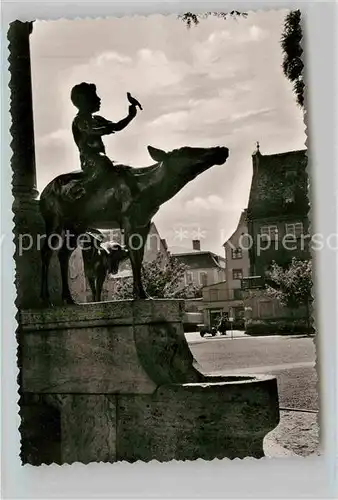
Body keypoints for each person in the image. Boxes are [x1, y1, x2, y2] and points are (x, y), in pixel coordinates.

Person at [68, 82, 141, 197]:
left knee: (120, 169)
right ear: (83, 100)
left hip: (102, 159)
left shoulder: (97, 119)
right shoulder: (79, 121)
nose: (99, 99)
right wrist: (106, 129)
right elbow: (91, 130)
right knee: (104, 164)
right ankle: (80, 188)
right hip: (90, 160)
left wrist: (130, 116)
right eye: (94, 96)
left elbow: (117, 126)